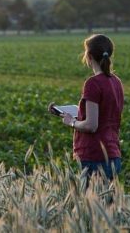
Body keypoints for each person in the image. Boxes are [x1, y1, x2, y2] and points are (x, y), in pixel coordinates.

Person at [49, 34, 124, 182]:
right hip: (113, 155)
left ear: (89, 56)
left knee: (89, 203)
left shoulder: (93, 83)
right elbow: (105, 114)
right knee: (108, 204)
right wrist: (76, 113)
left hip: (93, 156)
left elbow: (91, 125)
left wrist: (71, 122)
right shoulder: (116, 82)